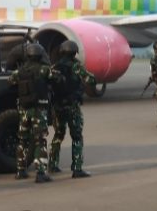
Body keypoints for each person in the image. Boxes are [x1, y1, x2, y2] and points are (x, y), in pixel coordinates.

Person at [9, 43, 62, 183]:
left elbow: (10, 81)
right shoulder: (44, 70)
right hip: (39, 110)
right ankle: (40, 173)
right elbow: (58, 78)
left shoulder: (20, 71)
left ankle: (20, 171)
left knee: (22, 140)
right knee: (40, 140)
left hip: (24, 110)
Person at [48, 40, 95, 178]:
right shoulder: (76, 66)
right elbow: (91, 80)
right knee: (77, 137)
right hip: (72, 107)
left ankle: (52, 164)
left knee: (58, 135)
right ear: (74, 53)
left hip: (57, 107)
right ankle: (77, 168)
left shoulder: (54, 67)